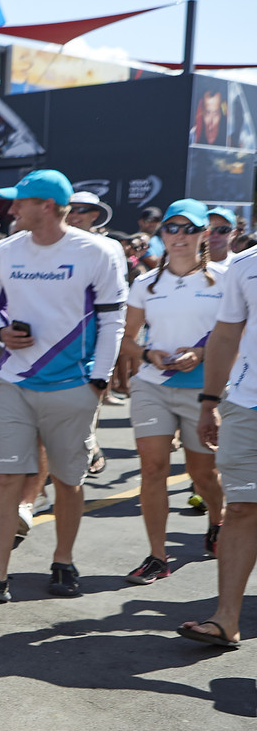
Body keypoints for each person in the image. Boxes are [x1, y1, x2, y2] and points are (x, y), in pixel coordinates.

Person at [0, 169, 128, 601]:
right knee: (5, 478)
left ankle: (64, 561)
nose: (11, 209)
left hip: (73, 385)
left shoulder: (99, 252)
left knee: (69, 480)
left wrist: (97, 380)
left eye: (20, 201)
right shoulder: (5, 249)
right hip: (14, 381)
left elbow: (113, 322)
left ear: (48, 207)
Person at [120, 200, 226, 583]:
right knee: (153, 467)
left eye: (189, 229)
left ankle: (218, 518)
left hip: (205, 391)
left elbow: (239, 335)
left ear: (203, 234)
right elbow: (126, 339)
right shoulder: (145, 283)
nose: (179, 236)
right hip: (153, 385)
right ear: (161, 233)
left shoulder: (225, 279)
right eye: (171, 228)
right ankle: (157, 557)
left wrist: (201, 353)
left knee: (202, 474)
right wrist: (149, 353)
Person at [181, 238, 257, 649]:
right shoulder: (247, 264)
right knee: (242, 508)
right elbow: (226, 335)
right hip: (246, 405)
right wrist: (209, 402)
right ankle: (226, 619)